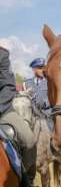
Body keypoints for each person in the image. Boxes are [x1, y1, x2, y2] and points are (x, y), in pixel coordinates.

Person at [0, 46, 37, 186]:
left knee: (28, 137)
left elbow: (8, 86)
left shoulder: (1, 54)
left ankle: (28, 181)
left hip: (2, 109)